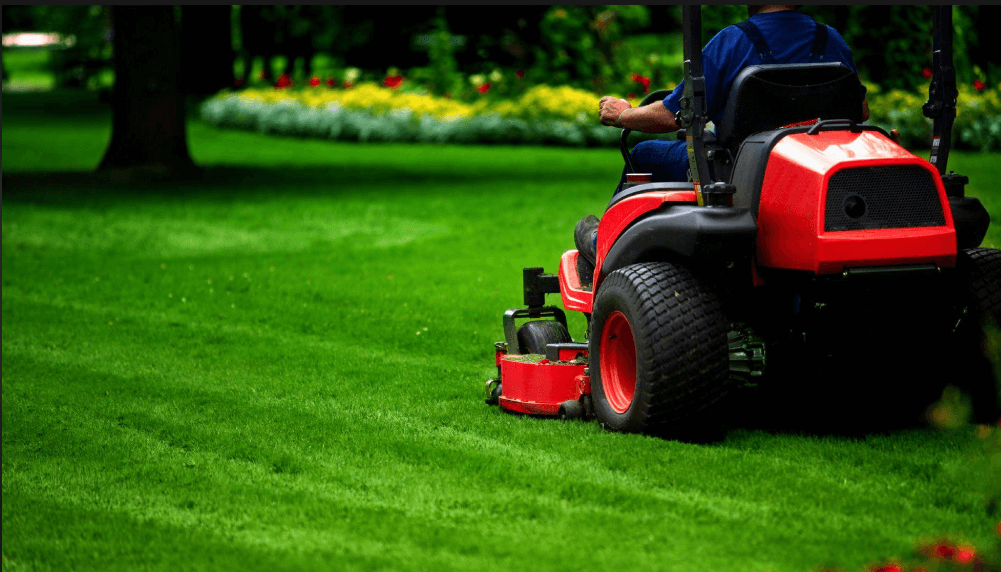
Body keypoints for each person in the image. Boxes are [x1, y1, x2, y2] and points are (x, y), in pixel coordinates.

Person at [575, 5, 870, 285]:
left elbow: (673, 114)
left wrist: (623, 115)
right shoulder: (830, 39)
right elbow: (861, 110)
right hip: (814, 174)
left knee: (643, 154)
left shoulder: (732, 42)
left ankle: (602, 245)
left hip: (736, 176)